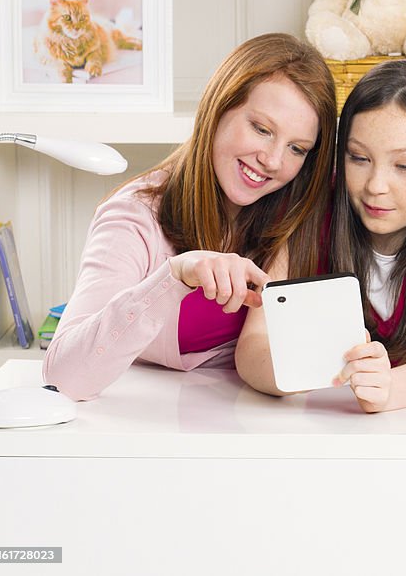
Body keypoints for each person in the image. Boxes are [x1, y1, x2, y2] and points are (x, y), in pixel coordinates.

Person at [43, 33, 337, 400]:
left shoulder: (300, 213)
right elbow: (63, 378)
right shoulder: (134, 215)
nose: (274, 160)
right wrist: (175, 277)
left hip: (263, 428)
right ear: (217, 110)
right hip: (159, 425)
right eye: (261, 129)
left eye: (297, 148)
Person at [237, 59, 406, 411]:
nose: (375, 186)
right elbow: (254, 343)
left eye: (405, 166)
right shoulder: (315, 206)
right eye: (358, 158)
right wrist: (295, 374)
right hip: (341, 418)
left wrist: (388, 389)